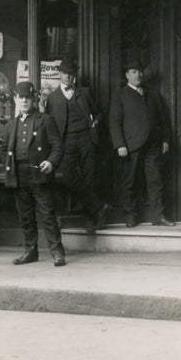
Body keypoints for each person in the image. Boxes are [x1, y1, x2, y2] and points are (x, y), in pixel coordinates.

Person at [0, 81, 67, 267]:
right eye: (20, 98)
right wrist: (9, 165)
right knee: (25, 216)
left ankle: (57, 252)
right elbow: (4, 150)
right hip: (19, 176)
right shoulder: (11, 125)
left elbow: (57, 147)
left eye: (27, 98)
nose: (24, 101)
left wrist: (50, 163)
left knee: (47, 215)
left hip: (39, 174)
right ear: (15, 99)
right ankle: (30, 251)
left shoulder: (45, 120)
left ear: (34, 100)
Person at [45, 58, 109, 233]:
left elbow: (99, 113)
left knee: (89, 179)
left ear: (75, 76)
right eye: (65, 73)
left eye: (71, 74)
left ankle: (92, 219)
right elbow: (48, 122)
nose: (68, 77)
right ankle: (99, 207)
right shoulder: (52, 98)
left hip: (87, 140)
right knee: (68, 178)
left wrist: (96, 121)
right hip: (65, 142)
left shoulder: (85, 93)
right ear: (60, 74)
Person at [109, 58, 173, 227]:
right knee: (129, 181)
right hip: (131, 146)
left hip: (153, 144)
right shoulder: (120, 95)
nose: (138, 75)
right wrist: (120, 144)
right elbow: (114, 122)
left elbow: (163, 119)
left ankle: (158, 216)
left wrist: (165, 139)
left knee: (155, 180)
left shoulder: (153, 94)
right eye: (134, 72)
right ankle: (130, 216)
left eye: (140, 71)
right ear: (127, 75)